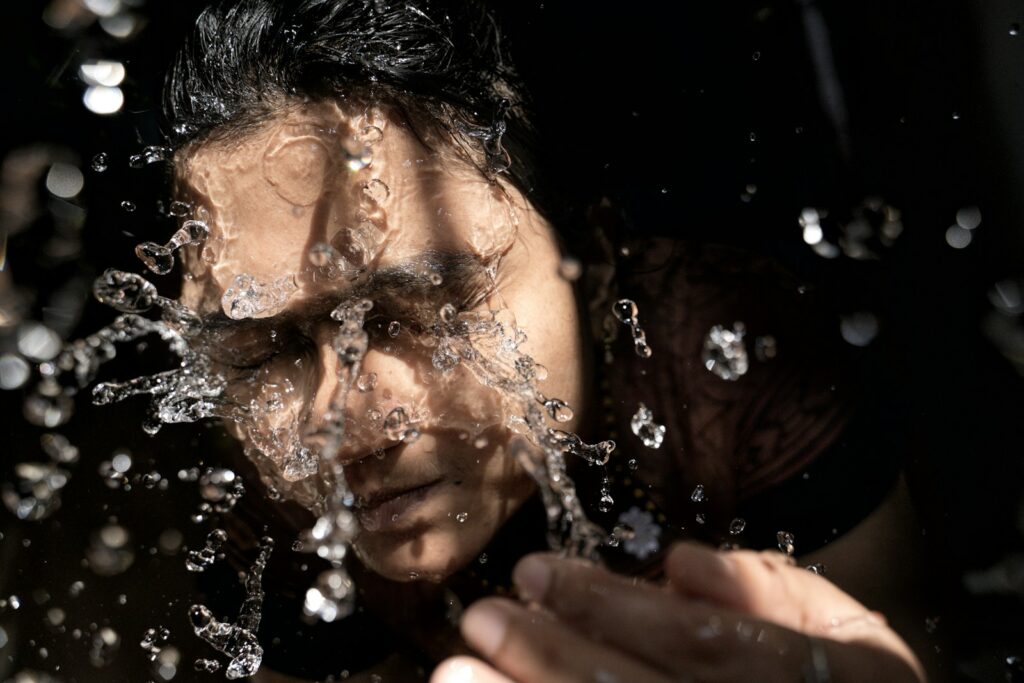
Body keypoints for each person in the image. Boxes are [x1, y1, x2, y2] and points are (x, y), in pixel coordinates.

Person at [160, 1, 932, 680]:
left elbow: (910, 646)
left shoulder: (730, 362)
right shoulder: (267, 507)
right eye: (268, 347)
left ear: (591, 261)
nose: (344, 427)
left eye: (420, 310)